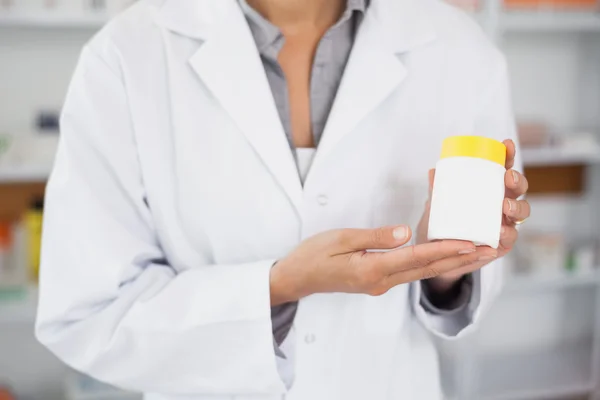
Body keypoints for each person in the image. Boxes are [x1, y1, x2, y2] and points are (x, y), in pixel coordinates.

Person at [35, 0, 531, 399]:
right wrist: (279, 286)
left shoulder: (461, 50)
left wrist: (446, 263)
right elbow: (89, 312)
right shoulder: (128, 54)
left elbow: (461, 292)